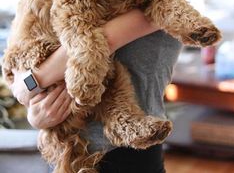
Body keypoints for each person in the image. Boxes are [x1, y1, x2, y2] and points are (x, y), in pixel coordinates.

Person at [10, 9, 182, 173]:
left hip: (123, 151)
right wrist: (35, 113)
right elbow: (22, 57)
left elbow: (97, 42)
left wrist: (28, 84)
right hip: (62, 150)